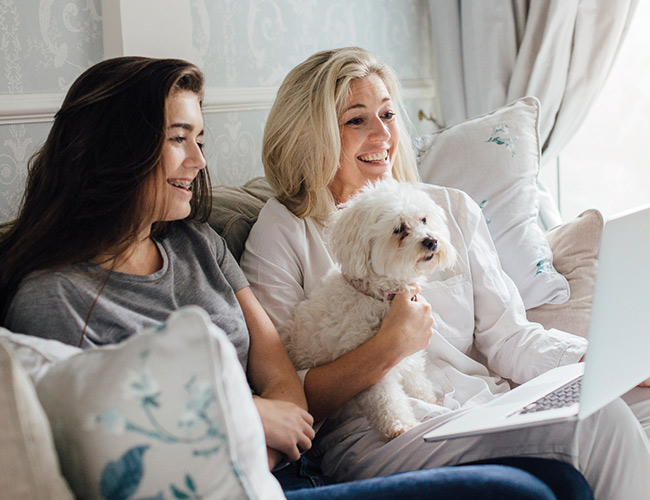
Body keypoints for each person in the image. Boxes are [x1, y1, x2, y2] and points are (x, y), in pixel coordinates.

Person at [239, 46, 650, 499]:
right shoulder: (284, 229)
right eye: (356, 120)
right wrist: (389, 345)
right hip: (381, 432)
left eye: (388, 115)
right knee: (599, 421)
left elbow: (510, 336)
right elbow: (289, 393)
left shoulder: (446, 208)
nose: (382, 135)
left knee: (634, 399)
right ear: (312, 135)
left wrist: (604, 362)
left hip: (487, 403)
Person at [0, 56, 314, 471]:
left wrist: (261, 454)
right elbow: (100, 446)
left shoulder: (201, 243)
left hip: (281, 471)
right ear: (116, 146)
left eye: (199, 140)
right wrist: (248, 418)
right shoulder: (52, 297)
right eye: (178, 138)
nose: (199, 161)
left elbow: (281, 377)